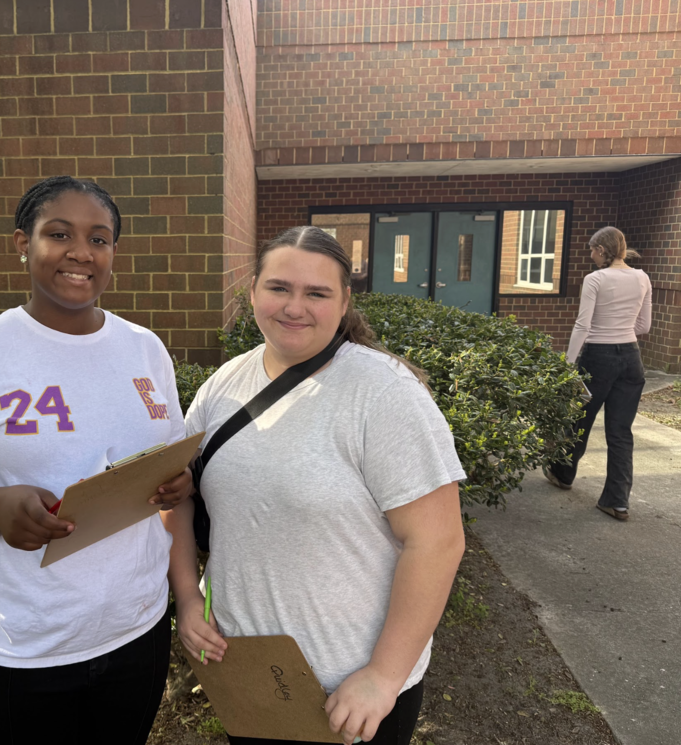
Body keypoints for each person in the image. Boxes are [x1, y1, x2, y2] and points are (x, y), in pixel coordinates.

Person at [0, 176, 192, 745]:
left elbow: (163, 470)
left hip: (138, 630)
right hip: (23, 648)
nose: (82, 252)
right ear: (22, 243)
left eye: (100, 239)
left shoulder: (144, 349)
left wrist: (171, 484)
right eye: (59, 234)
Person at [163, 226, 467, 745]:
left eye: (317, 293)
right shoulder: (223, 385)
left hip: (350, 692)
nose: (294, 307)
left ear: (345, 301)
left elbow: (438, 542)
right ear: (252, 290)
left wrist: (383, 677)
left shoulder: (383, 393)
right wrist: (189, 598)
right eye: (279, 288)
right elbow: (176, 496)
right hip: (248, 671)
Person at [543, 226, 652, 522]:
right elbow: (644, 326)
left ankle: (563, 474)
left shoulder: (595, 279)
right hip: (631, 359)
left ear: (601, 251)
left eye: (591, 249)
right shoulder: (642, 277)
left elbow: (583, 325)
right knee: (620, 432)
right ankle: (617, 502)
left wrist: (567, 364)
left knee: (580, 420)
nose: (590, 255)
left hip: (597, 359)